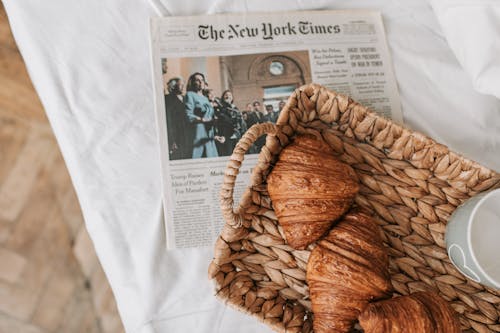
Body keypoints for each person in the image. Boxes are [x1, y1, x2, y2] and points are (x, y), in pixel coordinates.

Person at [184, 73, 218, 158]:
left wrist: (215, 135)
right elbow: (188, 115)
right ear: (192, 83)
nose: (200, 82)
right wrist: (202, 120)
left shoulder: (206, 98)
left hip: (209, 133)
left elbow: (211, 115)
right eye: (197, 80)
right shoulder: (190, 95)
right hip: (198, 133)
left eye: (202, 80)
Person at [165, 77, 191, 160]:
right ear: (173, 86)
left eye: (184, 85)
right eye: (180, 85)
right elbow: (168, 120)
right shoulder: (168, 99)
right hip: (176, 133)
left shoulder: (186, 98)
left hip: (187, 132)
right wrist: (172, 140)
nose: (183, 87)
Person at [219, 90, 247, 155]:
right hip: (226, 134)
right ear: (223, 97)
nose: (228, 96)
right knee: (228, 153)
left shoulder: (235, 108)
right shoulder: (221, 107)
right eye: (226, 95)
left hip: (236, 134)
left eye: (230, 95)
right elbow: (224, 119)